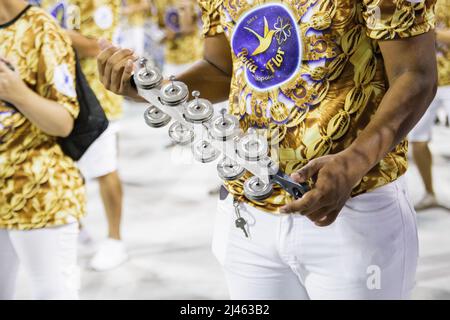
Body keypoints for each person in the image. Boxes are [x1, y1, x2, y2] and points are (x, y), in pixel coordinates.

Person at [97, 0, 438, 299]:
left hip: (354, 207)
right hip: (247, 211)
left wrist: (355, 161)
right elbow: (223, 70)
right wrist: (152, 90)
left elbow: (415, 73)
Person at [0, 0, 85, 299]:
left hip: (40, 193)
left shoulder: (43, 29)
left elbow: (63, 123)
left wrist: (18, 93)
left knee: (52, 293)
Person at [40, 0, 128, 271]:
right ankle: (77, 229)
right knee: (65, 169)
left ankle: (115, 239)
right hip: (59, 98)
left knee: (104, 169)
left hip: (96, 100)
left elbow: (97, 45)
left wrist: (43, 28)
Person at [409, 0, 450, 211]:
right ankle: (429, 193)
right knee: (417, 140)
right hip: (423, 81)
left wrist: (427, 32)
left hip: (449, 80)